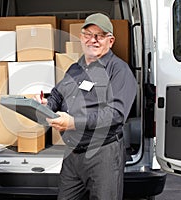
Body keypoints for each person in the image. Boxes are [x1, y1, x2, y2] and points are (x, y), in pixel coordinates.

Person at [35, 13, 137, 200]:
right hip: (73, 155)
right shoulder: (75, 68)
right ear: (81, 38)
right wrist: (46, 105)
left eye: (99, 35)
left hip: (103, 154)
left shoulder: (119, 70)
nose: (93, 40)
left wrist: (74, 123)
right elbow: (58, 93)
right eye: (87, 34)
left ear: (111, 41)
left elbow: (115, 115)